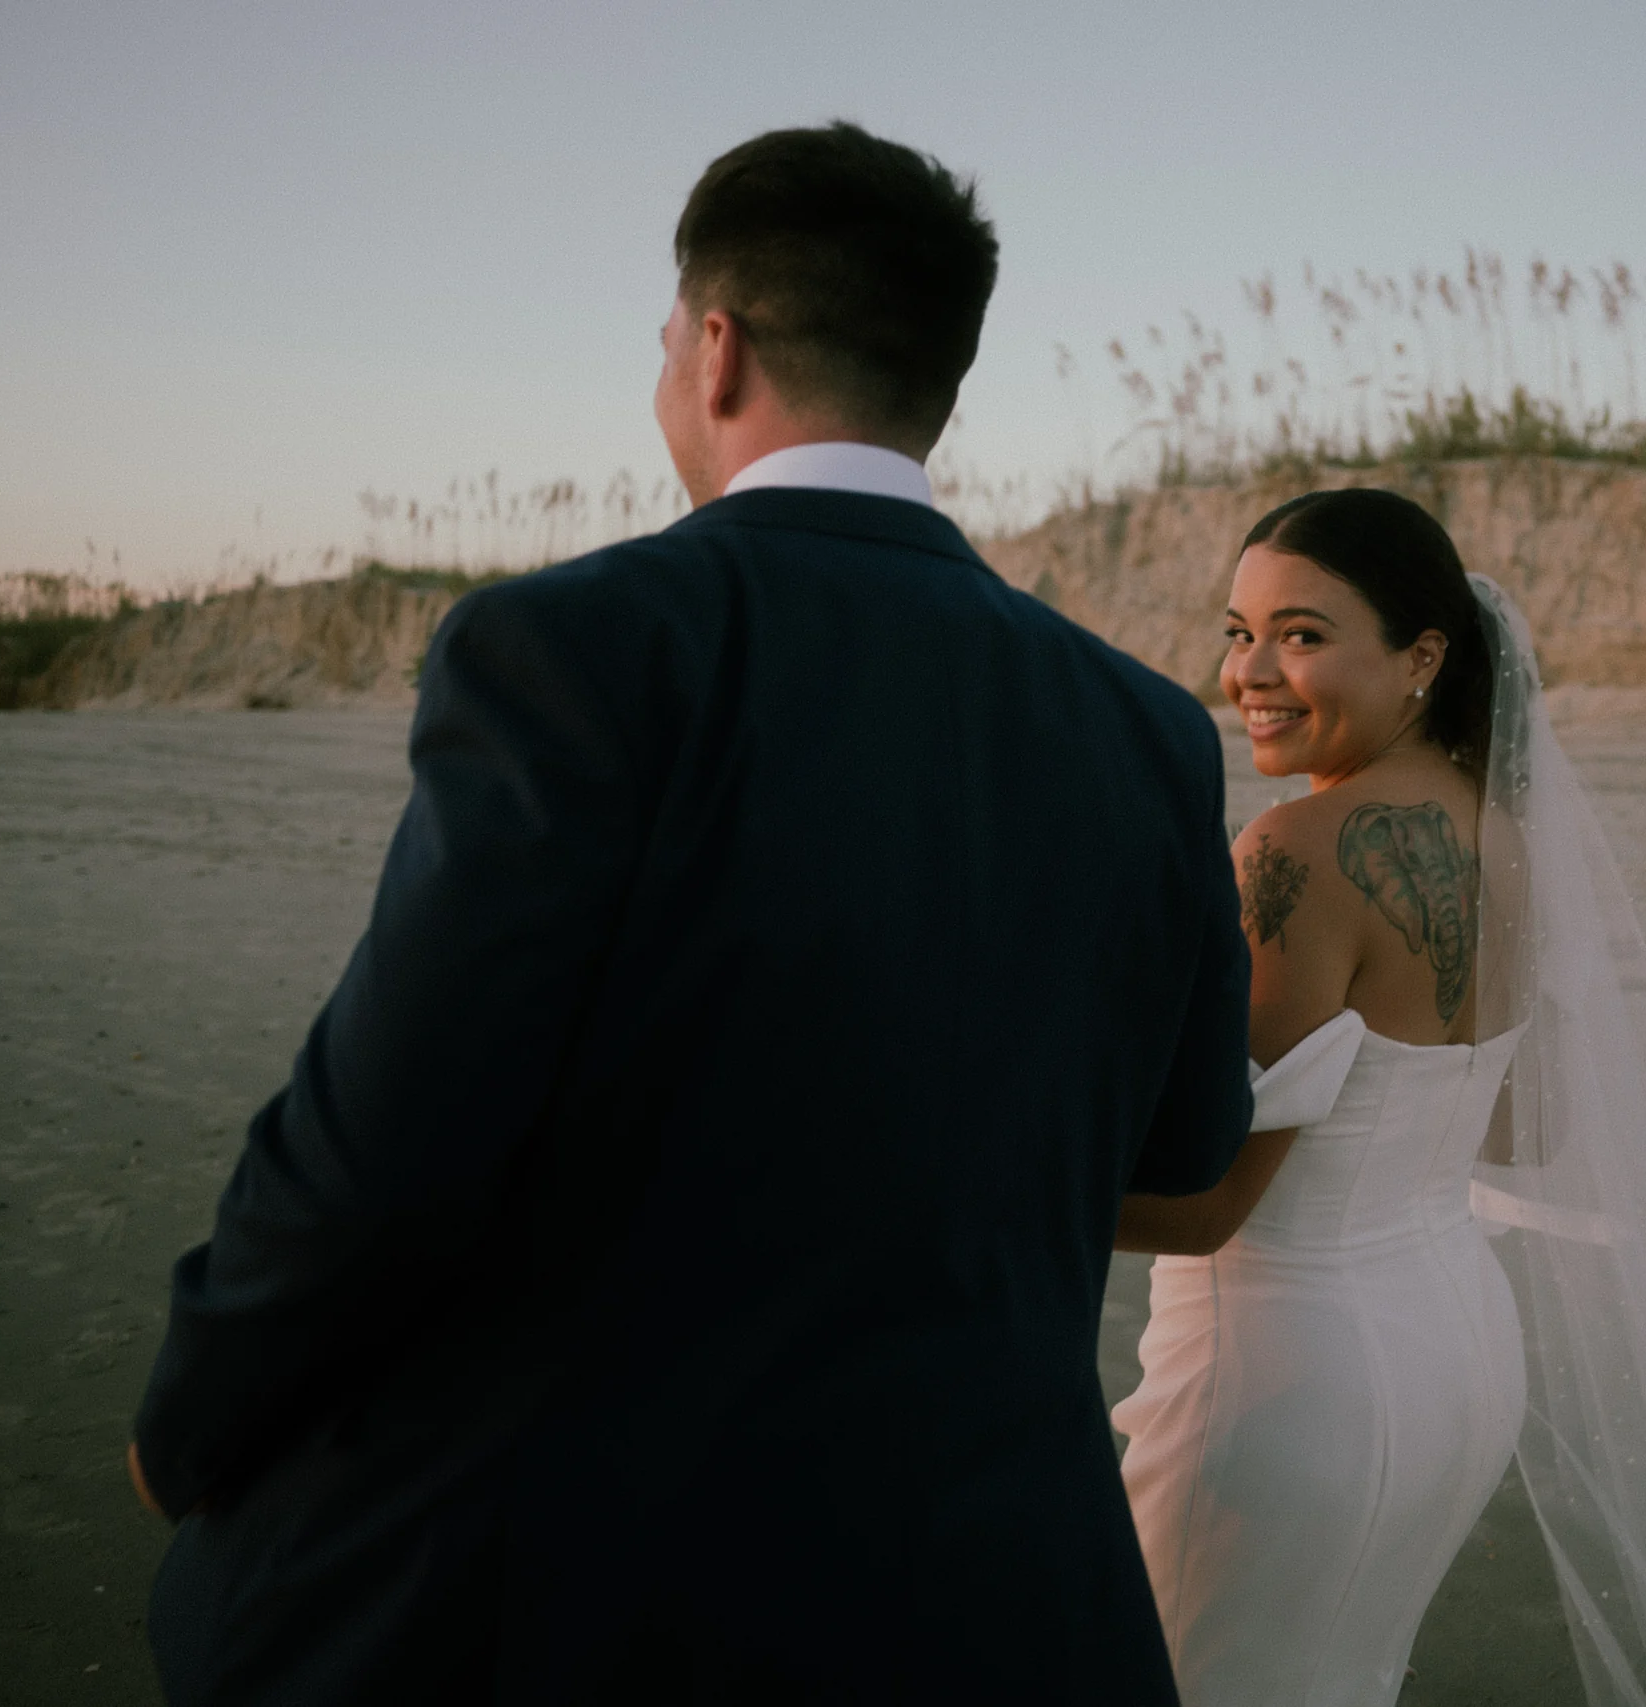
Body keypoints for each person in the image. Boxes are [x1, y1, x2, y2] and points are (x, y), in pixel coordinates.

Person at [125, 123, 1252, 1706]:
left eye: (666, 335)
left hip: (605, 1598)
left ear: (716, 350)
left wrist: (190, 1415)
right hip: (995, 1599)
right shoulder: (1148, 728)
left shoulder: (581, 647)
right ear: (938, 379)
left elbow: (385, 1134)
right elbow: (1187, 1153)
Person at [1112, 488, 1646, 1707]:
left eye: (1301, 635)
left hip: (1285, 1382)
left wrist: (958, 1186)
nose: (1251, 671)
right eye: (1236, 632)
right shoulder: (1505, 832)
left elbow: (1203, 1209)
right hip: (1453, 1352)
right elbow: (1531, 1121)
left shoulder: (1294, 853)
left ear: (1421, 657)